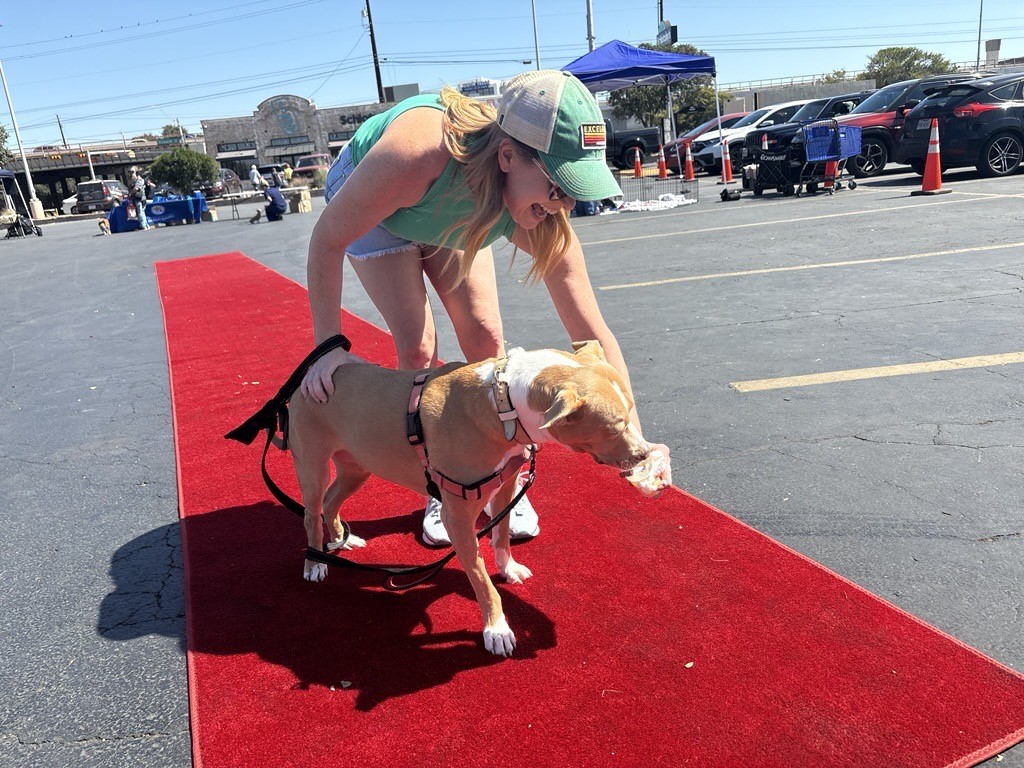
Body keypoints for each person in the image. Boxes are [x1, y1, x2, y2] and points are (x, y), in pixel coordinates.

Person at [300, 69, 671, 546]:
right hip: (385, 203)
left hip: (455, 202)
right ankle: (443, 482)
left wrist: (635, 442)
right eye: (557, 186)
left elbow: (591, 333)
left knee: (485, 336)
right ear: (508, 155)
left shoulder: (533, 204)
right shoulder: (417, 153)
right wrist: (328, 347)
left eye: (574, 191)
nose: (563, 205)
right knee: (417, 347)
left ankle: (499, 478)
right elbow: (326, 240)